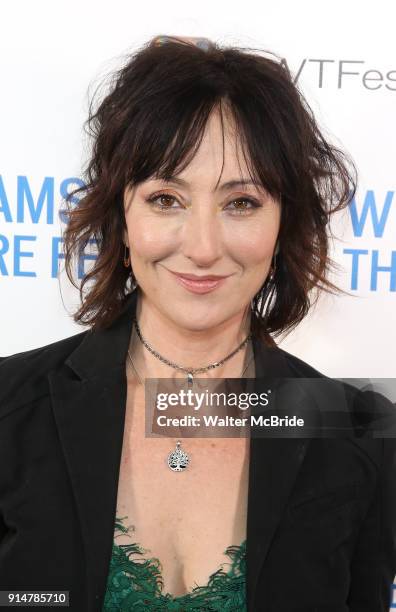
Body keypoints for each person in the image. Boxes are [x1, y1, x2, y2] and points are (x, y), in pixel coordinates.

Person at [0, 34, 395, 612]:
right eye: (166, 199)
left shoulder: (359, 435)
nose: (204, 248)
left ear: (285, 222)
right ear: (121, 213)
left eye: (241, 202)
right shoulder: (10, 411)